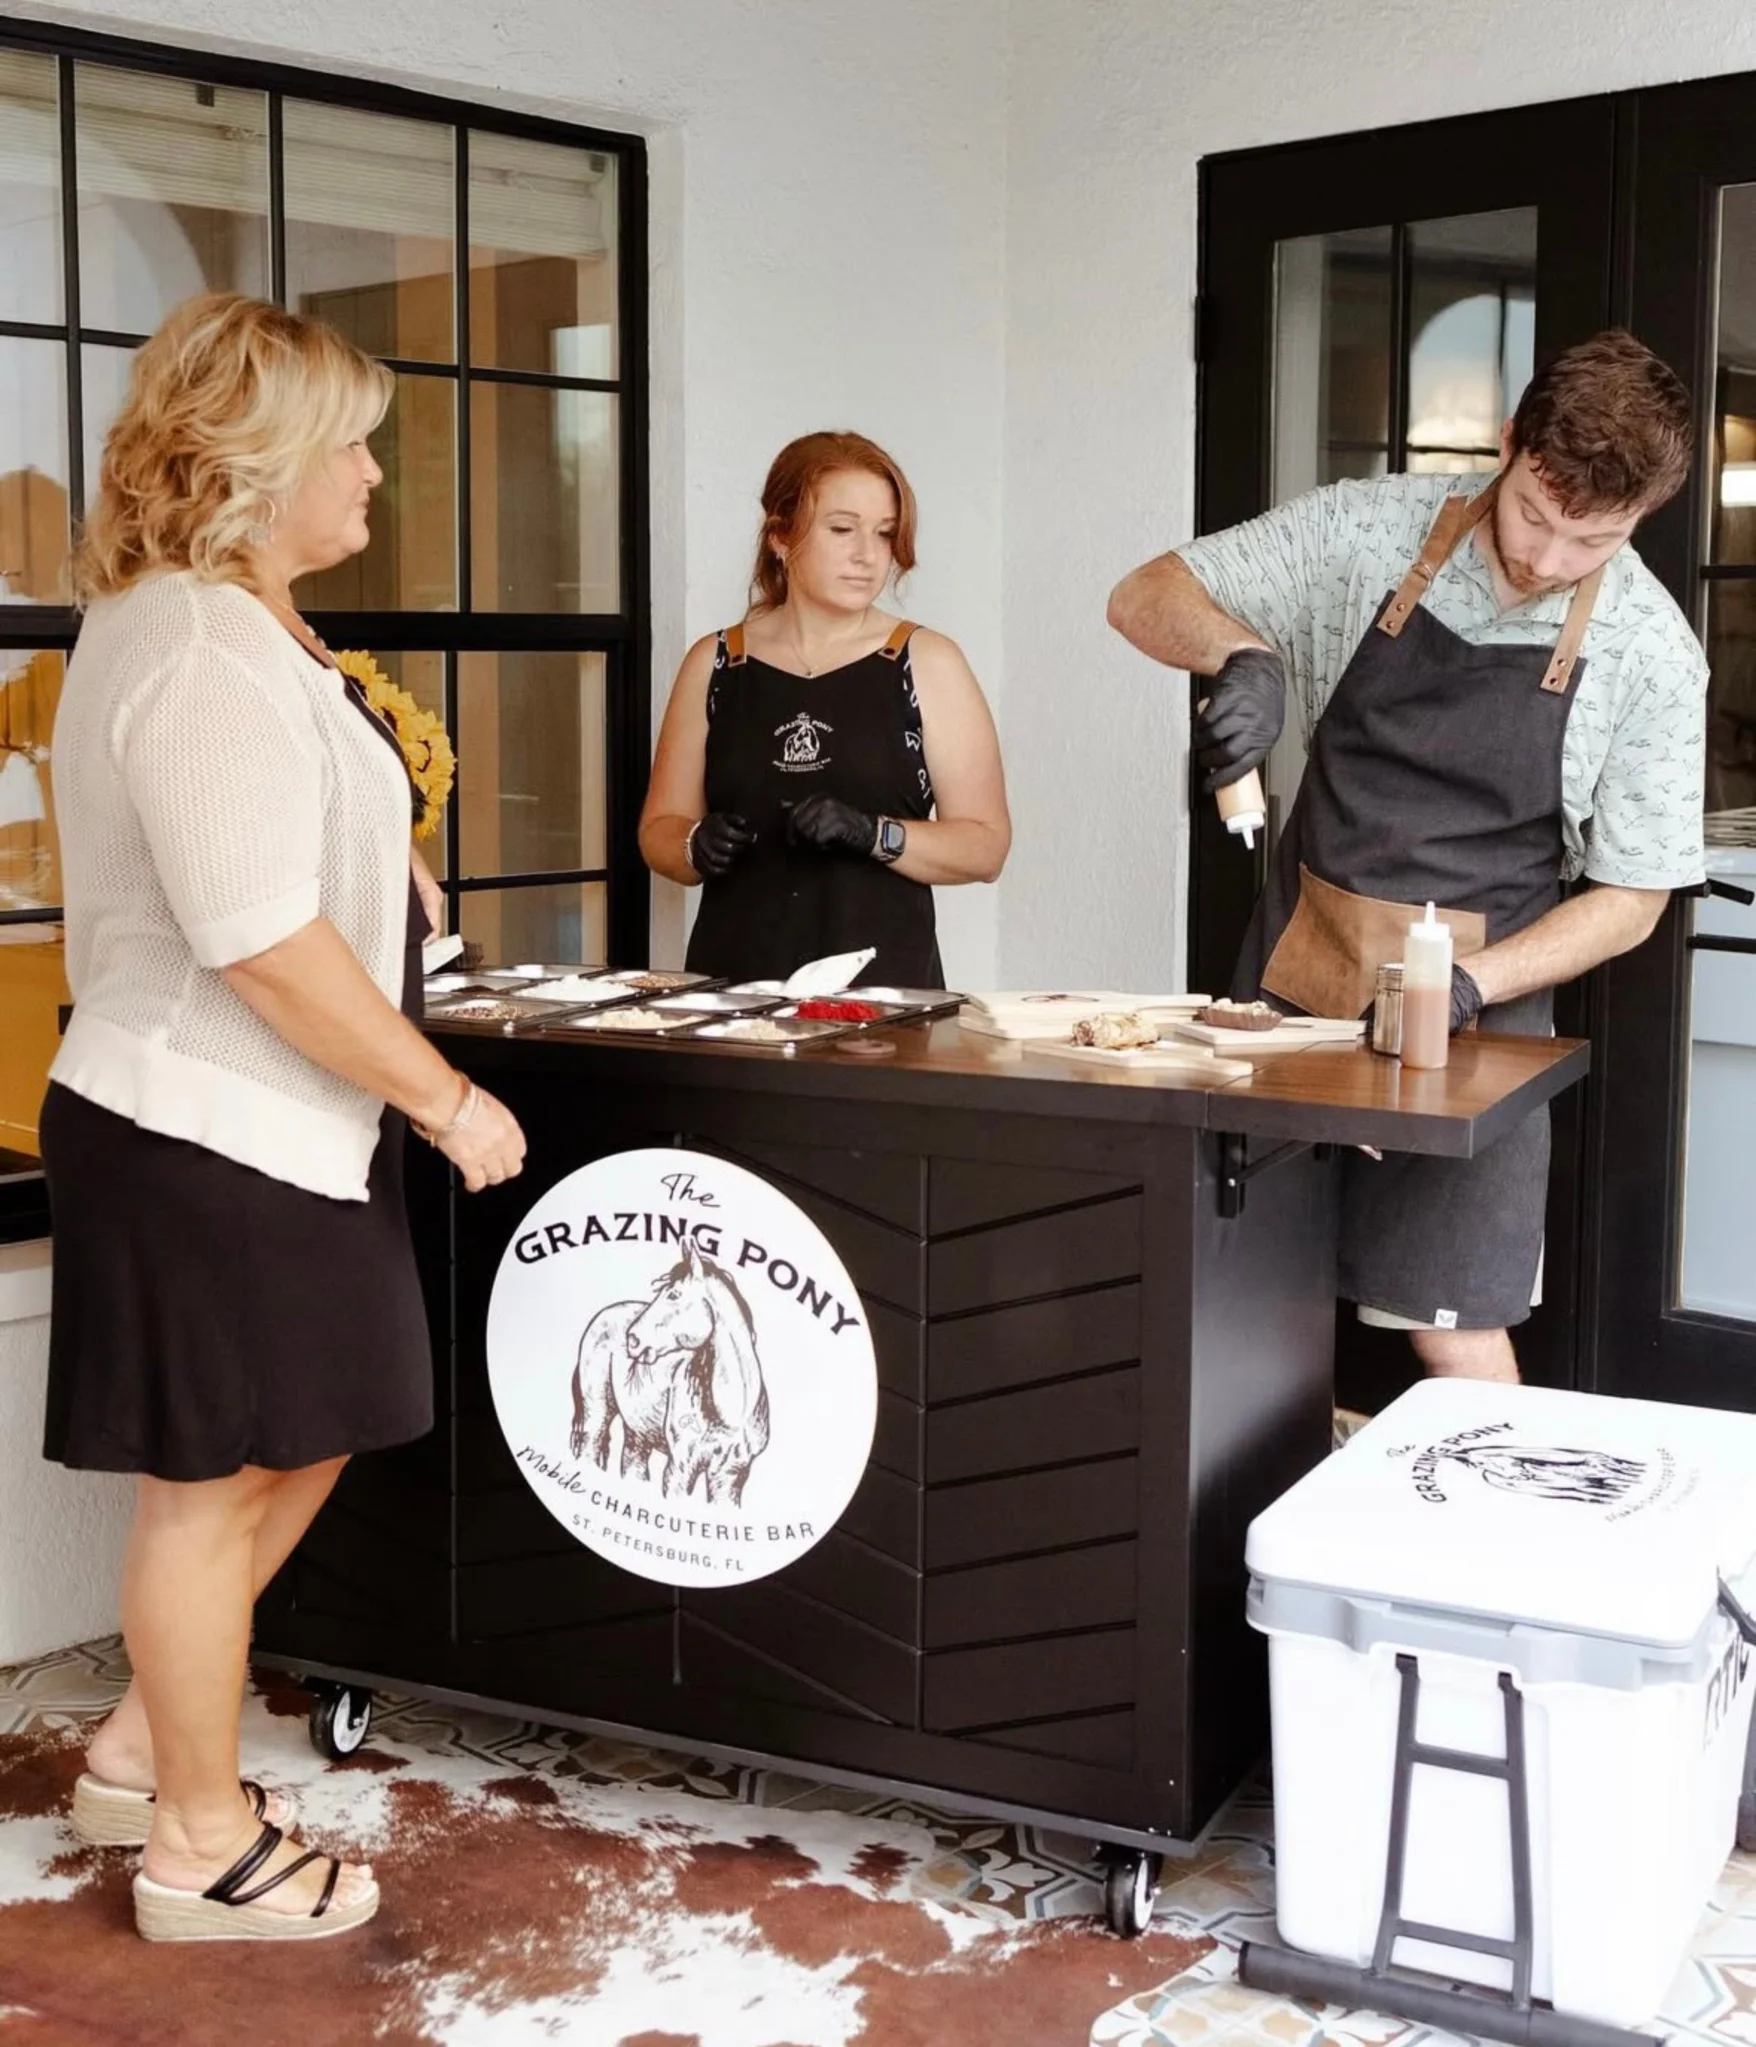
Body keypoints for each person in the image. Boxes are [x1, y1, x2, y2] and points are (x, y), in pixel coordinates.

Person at [42, 292, 526, 1942]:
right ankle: (194, 1839)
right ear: (262, 465)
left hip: (280, 1124)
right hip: (200, 1124)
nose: (376, 478)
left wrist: (387, 873)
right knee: (204, 1483)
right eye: (354, 446)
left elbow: (295, 845)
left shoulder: (253, 628)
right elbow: (249, 937)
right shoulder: (187, 640)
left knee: (320, 1417)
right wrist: (445, 1095)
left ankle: (136, 1739)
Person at [1108, 331, 1705, 1386]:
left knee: (1452, 1319)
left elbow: (1632, 898)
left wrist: (1470, 984)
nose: (1544, 559)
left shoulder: (1650, 652)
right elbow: (1144, 594)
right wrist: (1238, 654)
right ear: (1508, 443)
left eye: (1590, 540)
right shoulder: (1369, 528)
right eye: (1533, 514)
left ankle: (1485, 1546)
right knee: (1232, 1294)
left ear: (1640, 517)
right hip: (1293, 986)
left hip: (1474, 1014)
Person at [640, 431, 1010, 988]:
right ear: (781, 536)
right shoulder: (716, 662)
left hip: (885, 1005)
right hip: (732, 1000)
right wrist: (695, 843)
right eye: (842, 530)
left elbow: (986, 846)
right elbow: (658, 831)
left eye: (884, 535)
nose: (868, 556)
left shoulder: (927, 662)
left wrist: (873, 833)